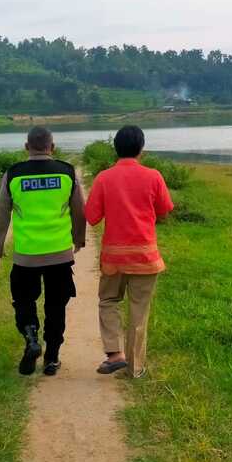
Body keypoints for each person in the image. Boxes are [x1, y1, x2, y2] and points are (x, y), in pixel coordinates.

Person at [0, 126, 86, 376]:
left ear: (26, 147)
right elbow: (79, 210)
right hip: (60, 255)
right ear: (52, 147)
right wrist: (79, 239)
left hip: (26, 256)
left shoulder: (13, 174)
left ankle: (31, 337)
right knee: (57, 305)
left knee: (24, 300)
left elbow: (1, 215)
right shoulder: (67, 172)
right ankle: (52, 358)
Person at [85, 125, 173, 378]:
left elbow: (91, 217)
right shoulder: (154, 176)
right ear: (141, 149)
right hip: (146, 259)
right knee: (139, 312)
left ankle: (115, 353)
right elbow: (165, 210)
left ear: (116, 149)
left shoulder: (103, 178)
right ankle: (135, 369)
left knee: (108, 302)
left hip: (113, 259)